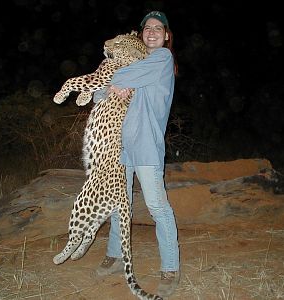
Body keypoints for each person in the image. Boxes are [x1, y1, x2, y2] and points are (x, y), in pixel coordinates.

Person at [93, 11, 180, 297]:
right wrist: (111, 82)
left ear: (166, 35)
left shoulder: (162, 59)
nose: (152, 32)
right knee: (120, 204)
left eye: (158, 28)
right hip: (121, 145)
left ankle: (170, 267)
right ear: (140, 34)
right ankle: (116, 256)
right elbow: (97, 94)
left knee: (157, 207)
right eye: (147, 28)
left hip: (146, 144)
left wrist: (112, 77)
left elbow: (112, 77)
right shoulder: (136, 62)